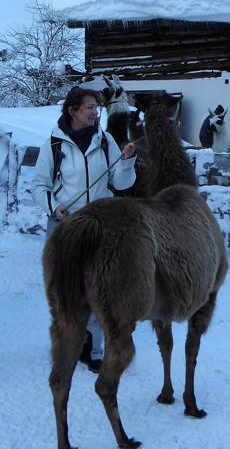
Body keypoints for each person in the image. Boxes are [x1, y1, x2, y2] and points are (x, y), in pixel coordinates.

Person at [31, 86, 137, 373]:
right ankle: (68, 340)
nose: (95, 112)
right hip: (66, 225)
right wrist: (53, 206)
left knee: (100, 287)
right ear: (73, 111)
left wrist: (127, 162)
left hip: (102, 224)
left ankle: (93, 348)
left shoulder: (106, 142)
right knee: (66, 289)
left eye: (97, 108)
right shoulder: (54, 145)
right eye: (89, 107)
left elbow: (123, 183)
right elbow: (38, 185)